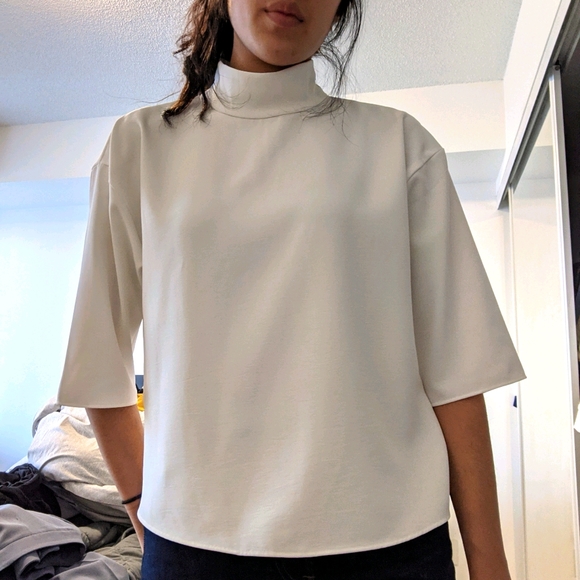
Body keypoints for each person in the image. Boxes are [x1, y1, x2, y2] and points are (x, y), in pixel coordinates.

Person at [56, 0, 526, 579]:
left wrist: (490, 562)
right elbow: (97, 364)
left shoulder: (399, 145)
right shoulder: (140, 145)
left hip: (393, 542)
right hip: (193, 547)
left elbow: (456, 373)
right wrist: (139, 503)